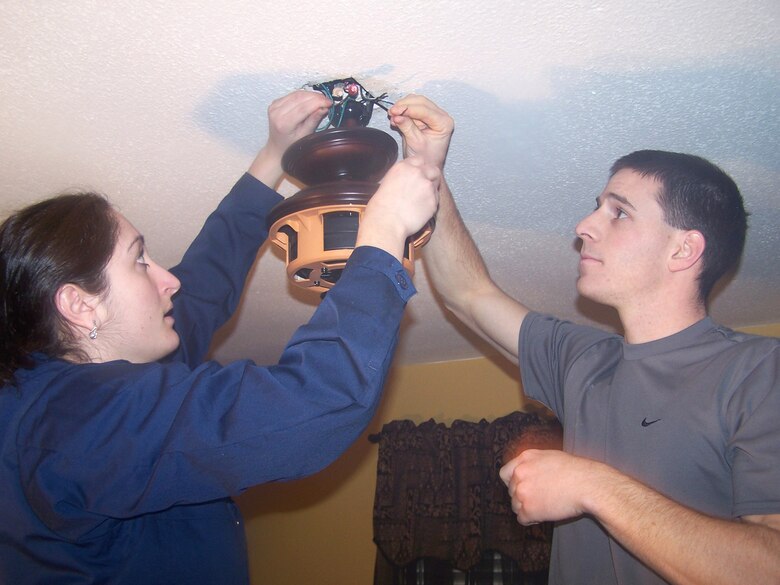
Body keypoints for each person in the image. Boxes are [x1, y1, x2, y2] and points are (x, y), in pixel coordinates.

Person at [0, 90, 441, 584]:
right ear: (80, 305)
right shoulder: (76, 423)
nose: (166, 278)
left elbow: (202, 289)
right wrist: (382, 236)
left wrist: (273, 156)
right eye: (139, 262)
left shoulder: (62, 400)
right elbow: (314, 404)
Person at [387, 95, 780, 585]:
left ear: (684, 248)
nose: (584, 226)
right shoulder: (583, 360)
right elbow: (468, 293)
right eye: (597, 207)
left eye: (619, 213)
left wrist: (592, 485)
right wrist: (427, 167)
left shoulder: (760, 370)